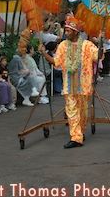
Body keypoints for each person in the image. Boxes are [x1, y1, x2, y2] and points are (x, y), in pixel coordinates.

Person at [39, 14, 99, 148]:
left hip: (83, 86)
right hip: (69, 85)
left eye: (68, 31)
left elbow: (98, 56)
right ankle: (76, 137)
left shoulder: (87, 45)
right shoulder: (62, 46)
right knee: (71, 111)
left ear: (76, 32)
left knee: (83, 112)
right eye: (65, 30)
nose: (66, 33)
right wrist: (44, 53)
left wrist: (100, 43)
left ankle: (80, 132)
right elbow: (56, 62)